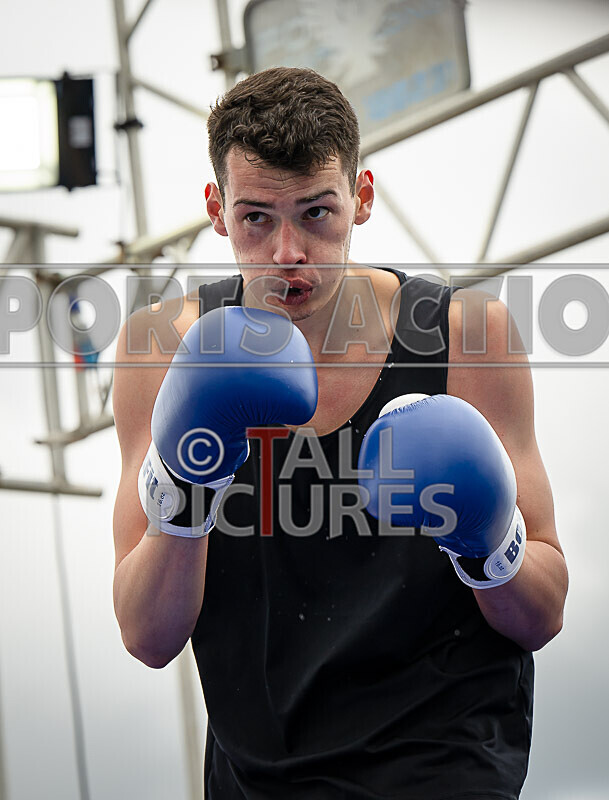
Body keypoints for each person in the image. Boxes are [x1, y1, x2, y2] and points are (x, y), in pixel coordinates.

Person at [112, 67, 568, 799]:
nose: (287, 252)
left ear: (360, 198)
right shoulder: (162, 349)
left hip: (443, 760)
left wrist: (488, 537)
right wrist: (184, 490)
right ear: (217, 211)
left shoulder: (464, 336)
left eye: (315, 213)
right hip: (257, 773)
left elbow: (540, 612)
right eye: (257, 217)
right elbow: (146, 636)